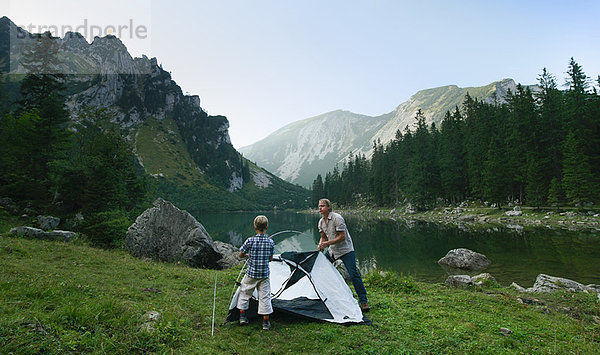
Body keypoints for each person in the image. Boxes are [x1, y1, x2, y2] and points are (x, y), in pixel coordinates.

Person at [317, 198, 370, 312]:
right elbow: (323, 237)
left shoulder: (337, 218)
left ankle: (363, 301)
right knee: (321, 271)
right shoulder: (321, 222)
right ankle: (326, 297)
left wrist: (327, 243)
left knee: (354, 274)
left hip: (346, 250)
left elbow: (342, 237)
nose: (320, 208)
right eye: (319, 206)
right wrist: (321, 245)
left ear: (329, 207)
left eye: (322, 206)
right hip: (332, 251)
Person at [237, 215, 275, 330]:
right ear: (267, 227)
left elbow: (240, 254)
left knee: (245, 293)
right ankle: (265, 323)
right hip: (264, 275)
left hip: (251, 274)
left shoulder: (250, 240)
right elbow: (271, 258)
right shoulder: (270, 242)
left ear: (255, 227)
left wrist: (248, 255)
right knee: (265, 297)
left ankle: (242, 317)